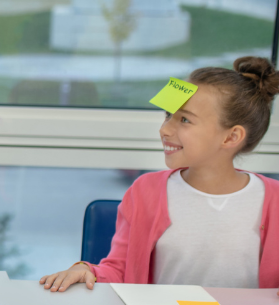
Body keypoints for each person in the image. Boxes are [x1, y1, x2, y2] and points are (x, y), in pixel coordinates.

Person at [40, 56, 279, 292]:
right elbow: (120, 271)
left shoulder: (274, 199)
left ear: (231, 137)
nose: (164, 129)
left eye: (185, 119)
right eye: (168, 115)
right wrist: (87, 270)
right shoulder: (145, 190)